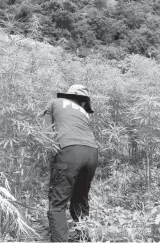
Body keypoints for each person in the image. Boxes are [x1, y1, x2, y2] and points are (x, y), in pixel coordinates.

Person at [43, 84, 99, 242]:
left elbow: (46, 132)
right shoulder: (84, 113)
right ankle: (84, 238)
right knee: (80, 198)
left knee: (57, 204)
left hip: (69, 150)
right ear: (82, 100)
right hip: (92, 152)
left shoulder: (54, 102)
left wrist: (51, 162)